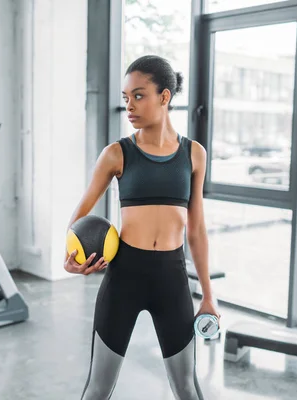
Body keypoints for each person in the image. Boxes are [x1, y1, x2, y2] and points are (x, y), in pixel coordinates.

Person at [64, 55, 220, 400]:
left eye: (139, 95)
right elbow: (83, 211)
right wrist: (69, 254)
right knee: (98, 388)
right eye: (125, 98)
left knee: (186, 388)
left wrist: (208, 294)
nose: (130, 106)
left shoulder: (194, 154)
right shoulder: (116, 154)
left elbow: (196, 230)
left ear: (164, 97)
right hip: (124, 278)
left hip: (171, 277)